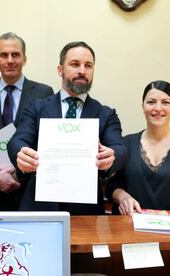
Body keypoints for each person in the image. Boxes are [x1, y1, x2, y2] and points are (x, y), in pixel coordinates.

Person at [7, 41, 128, 215]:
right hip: (40, 208)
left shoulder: (105, 113)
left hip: (86, 212)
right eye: (75, 64)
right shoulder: (37, 107)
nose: (82, 70)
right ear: (60, 70)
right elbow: (17, 141)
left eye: (88, 65)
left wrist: (111, 157)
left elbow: (121, 149)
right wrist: (22, 154)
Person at [107, 80, 170, 224]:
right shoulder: (126, 144)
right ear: (142, 106)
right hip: (130, 228)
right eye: (151, 102)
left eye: (165, 102)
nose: (158, 108)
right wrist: (123, 197)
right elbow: (112, 185)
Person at [0, 32, 53, 211]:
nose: (10, 60)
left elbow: (47, 142)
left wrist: (17, 174)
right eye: (4, 55)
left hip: (29, 191)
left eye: (15, 54)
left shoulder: (44, 93)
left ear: (25, 58)